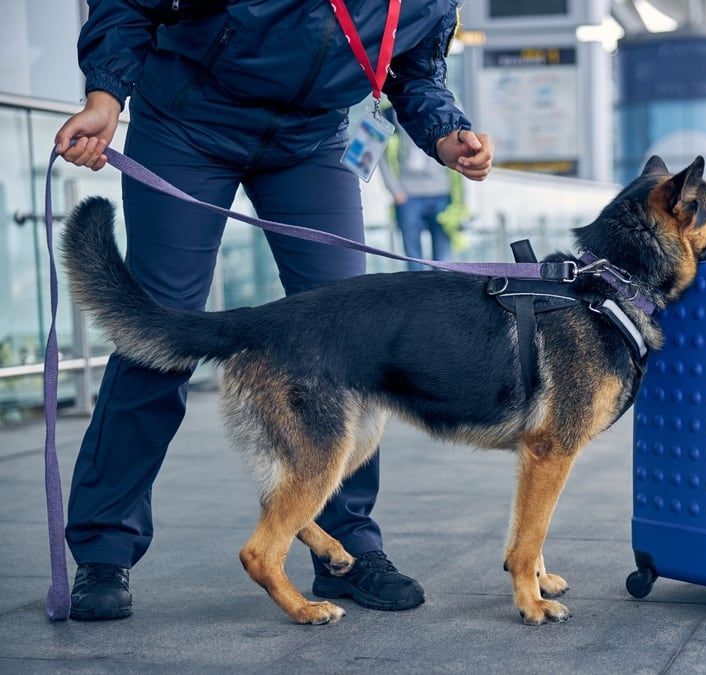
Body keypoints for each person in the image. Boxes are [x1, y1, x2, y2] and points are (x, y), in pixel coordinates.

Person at [54, 0, 493, 621]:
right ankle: (103, 549)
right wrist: (105, 95)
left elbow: (413, 70)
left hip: (311, 139)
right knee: (160, 335)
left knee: (355, 345)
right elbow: (129, 6)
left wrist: (447, 132)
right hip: (190, 122)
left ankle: (348, 549)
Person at [377, 104, 461, 270]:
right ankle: (419, 296)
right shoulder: (389, 112)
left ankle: (441, 296)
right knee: (413, 261)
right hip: (408, 195)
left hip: (442, 193)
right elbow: (380, 153)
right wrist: (395, 190)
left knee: (443, 263)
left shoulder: (448, 105)